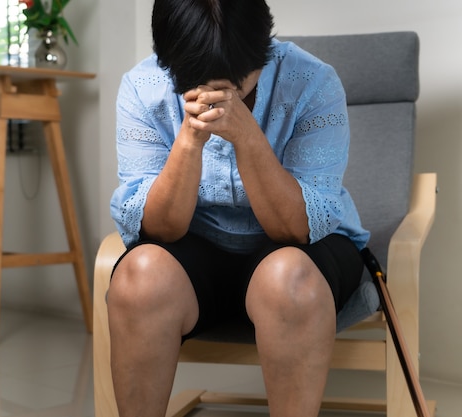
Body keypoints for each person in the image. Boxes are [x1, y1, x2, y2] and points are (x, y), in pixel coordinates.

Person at [107, 0, 370, 416]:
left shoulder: (314, 82)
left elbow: (296, 230)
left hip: (300, 248)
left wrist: (248, 139)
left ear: (263, 48)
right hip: (194, 253)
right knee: (139, 277)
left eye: (237, 81)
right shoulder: (143, 87)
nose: (219, 92)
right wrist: (189, 142)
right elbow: (159, 231)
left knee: (288, 277)